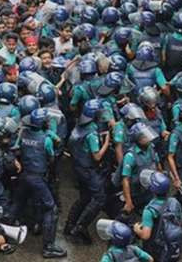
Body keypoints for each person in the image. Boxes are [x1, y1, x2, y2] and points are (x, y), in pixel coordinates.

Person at [7, 108, 67, 258]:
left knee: (18, 203)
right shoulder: (45, 139)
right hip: (38, 178)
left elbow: (17, 149)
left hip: (24, 174)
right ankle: (48, 246)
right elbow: (51, 157)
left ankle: (4, 232)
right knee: (51, 209)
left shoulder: (24, 133)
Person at [65, 99, 110, 244]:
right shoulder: (91, 132)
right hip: (88, 169)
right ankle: (80, 227)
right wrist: (107, 142)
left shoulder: (79, 125)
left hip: (78, 166)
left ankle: (69, 224)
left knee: (84, 197)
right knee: (100, 198)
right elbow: (97, 156)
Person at [134, 171, 182, 262]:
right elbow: (179, 220)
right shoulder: (174, 202)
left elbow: (145, 236)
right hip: (171, 243)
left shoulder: (149, 210)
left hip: (156, 248)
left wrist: (137, 230)